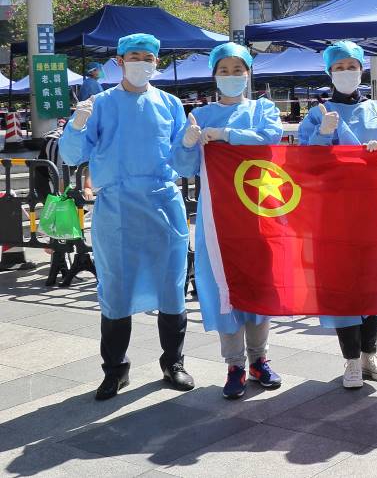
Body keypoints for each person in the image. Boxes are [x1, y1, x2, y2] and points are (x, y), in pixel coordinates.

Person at [59, 33, 194, 400]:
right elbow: (71, 155)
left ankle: (174, 363)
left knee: (172, 286)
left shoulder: (170, 104)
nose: (142, 63)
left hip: (163, 204)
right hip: (117, 207)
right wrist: (77, 124)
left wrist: (189, 144)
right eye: (134, 56)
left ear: (157, 62)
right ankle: (115, 370)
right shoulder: (100, 104)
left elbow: (183, 163)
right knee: (116, 289)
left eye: (148, 57)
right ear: (119, 61)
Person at [171, 43, 285, 400]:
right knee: (224, 286)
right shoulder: (200, 115)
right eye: (224, 70)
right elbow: (185, 167)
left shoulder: (263, 109)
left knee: (259, 283)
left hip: (257, 211)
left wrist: (226, 135)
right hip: (216, 216)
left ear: (248, 74)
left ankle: (259, 359)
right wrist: (187, 142)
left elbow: (270, 138)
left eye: (238, 70)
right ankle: (235, 365)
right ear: (214, 75)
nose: (232, 76)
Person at [299, 40, 377, 389]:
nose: (346, 72)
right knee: (342, 282)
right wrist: (323, 134)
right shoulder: (318, 114)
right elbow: (303, 163)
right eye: (339, 67)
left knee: (373, 278)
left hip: (376, 209)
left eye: (351, 66)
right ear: (329, 72)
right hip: (334, 211)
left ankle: (370, 354)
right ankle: (350, 359)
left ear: (362, 69)